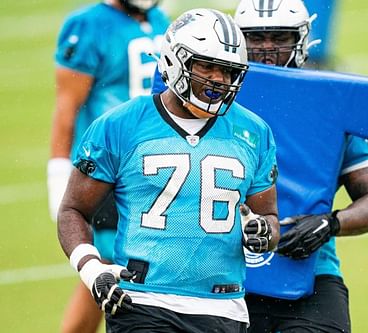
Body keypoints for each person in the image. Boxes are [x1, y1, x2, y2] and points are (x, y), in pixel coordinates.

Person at [57, 8, 280, 333]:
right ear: (176, 61)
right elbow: (74, 209)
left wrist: (263, 233)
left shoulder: (254, 132)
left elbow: (270, 221)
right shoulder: (120, 125)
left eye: (228, 71)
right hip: (142, 301)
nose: (218, 80)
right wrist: (91, 268)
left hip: (223, 306)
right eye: (208, 66)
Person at [234, 0, 368, 332]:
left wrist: (330, 224)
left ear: (301, 40)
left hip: (310, 272)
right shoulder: (215, 101)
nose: (266, 49)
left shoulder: (327, 104)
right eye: (256, 38)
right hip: (224, 271)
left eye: (279, 38)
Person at [48, 1, 169, 332]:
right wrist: (58, 174)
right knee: (110, 268)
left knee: (112, 271)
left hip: (156, 166)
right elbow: (66, 107)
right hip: (110, 167)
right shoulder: (88, 24)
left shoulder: (159, 19)